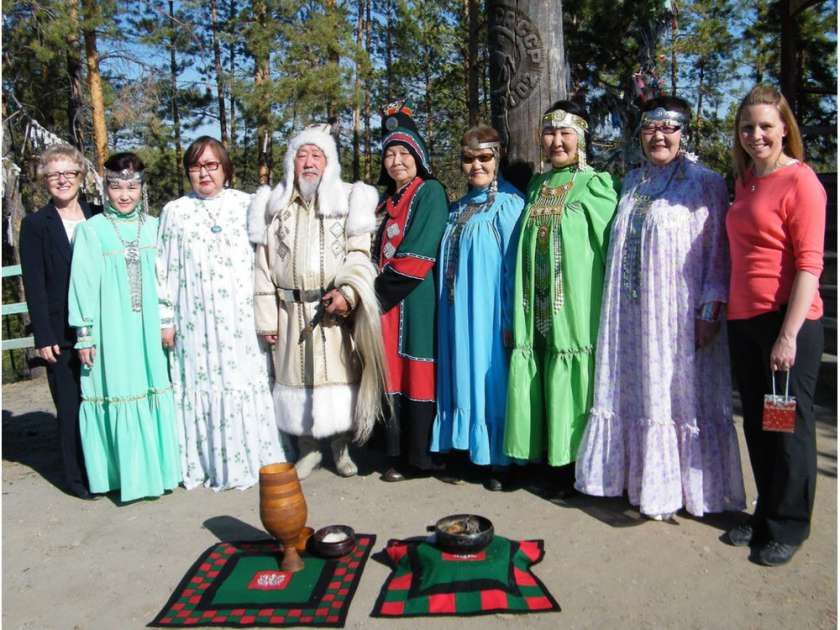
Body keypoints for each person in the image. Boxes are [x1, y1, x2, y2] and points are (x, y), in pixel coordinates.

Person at [574, 96, 746, 520]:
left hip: (676, 314)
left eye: (669, 128)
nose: (659, 136)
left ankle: (684, 489)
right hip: (630, 316)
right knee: (637, 393)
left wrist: (709, 311)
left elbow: (717, 254)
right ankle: (634, 481)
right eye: (651, 128)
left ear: (683, 133)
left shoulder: (705, 183)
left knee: (677, 398)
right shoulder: (632, 181)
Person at [248, 123, 385, 480]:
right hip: (289, 310)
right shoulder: (274, 206)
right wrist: (266, 319)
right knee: (296, 378)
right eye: (302, 155)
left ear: (329, 163)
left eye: (317, 155)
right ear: (291, 162)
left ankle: (341, 448)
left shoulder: (349, 200)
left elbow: (359, 255)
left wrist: (348, 294)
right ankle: (307, 449)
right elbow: (262, 266)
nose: (308, 162)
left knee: (337, 377)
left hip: (333, 310)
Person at [724, 85, 826, 566]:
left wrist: (787, 335)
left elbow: (809, 264)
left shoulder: (801, 181)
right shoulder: (746, 182)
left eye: (766, 125)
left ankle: (789, 525)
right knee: (761, 429)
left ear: (785, 127)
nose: (756, 134)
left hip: (787, 325)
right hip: (745, 321)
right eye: (748, 127)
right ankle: (765, 512)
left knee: (787, 427)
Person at [156, 136, 290, 490]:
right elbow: (163, 269)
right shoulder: (174, 212)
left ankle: (255, 460)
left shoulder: (248, 205)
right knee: (202, 384)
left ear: (225, 169)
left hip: (241, 322)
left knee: (244, 382)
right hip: (194, 324)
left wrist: (271, 313)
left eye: (212, 165)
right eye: (197, 166)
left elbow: (268, 264)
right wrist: (165, 318)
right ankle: (206, 463)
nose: (204, 173)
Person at [504, 100, 618, 497]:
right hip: (535, 302)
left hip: (574, 302)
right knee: (539, 363)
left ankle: (574, 465)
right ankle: (544, 455)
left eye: (564, 133)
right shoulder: (536, 185)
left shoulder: (597, 184)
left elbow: (610, 251)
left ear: (581, 137)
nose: (556, 141)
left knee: (572, 370)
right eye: (549, 133)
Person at [67, 152, 180, 502]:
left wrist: (166, 319)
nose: (125, 195)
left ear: (141, 188)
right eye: (117, 187)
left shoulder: (156, 226)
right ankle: (123, 477)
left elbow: (168, 277)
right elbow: (82, 284)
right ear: (106, 189)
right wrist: (84, 333)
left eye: (132, 187)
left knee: (153, 386)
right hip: (112, 328)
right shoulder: (91, 230)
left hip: (151, 329)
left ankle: (162, 472)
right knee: (119, 389)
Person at [430, 124, 525, 491]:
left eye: (484, 158)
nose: (476, 166)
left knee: (489, 377)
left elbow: (514, 269)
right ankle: (465, 447)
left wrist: (509, 318)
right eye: (468, 159)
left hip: (489, 315)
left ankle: (498, 459)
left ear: (498, 158)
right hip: (455, 311)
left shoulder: (510, 206)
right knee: (458, 372)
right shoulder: (456, 210)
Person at [373, 100, 449, 482]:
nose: (397, 160)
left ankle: (418, 457)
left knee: (414, 369)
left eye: (404, 152)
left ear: (418, 156)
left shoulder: (429, 192)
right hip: (387, 301)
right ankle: (394, 452)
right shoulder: (385, 202)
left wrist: (371, 294)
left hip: (411, 297)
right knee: (390, 372)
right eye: (390, 153)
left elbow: (419, 253)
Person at [19, 144, 100, 500]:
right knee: (70, 407)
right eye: (54, 174)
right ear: (44, 181)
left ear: (81, 177)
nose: (62, 180)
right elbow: (34, 283)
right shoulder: (36, 225)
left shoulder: (99, 215)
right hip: (61, 331)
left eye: (69, 172)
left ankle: (106, 470)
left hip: (103, 326)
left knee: (101, 402)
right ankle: (78, 478)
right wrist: (44, 334)